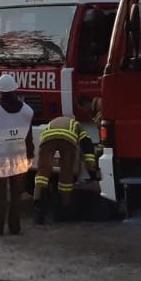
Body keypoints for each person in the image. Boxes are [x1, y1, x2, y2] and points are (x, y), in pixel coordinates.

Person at [33, 96, 101, 224]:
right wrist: (92, 174)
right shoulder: (77, 125)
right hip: (67, 140)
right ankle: (63, 208)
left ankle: (39, 208)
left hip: (47, 139)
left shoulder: (54, 121)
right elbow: (88, 152)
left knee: (42, 173)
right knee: (66, 174)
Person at [0, 75, 34, 236]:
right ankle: (15, 227)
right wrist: (30, 155)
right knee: (17, 195)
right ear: (15, 90)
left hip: (0, 158)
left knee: (0, 195)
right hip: (20, 157)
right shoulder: (27, 111)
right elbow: (29, 137)